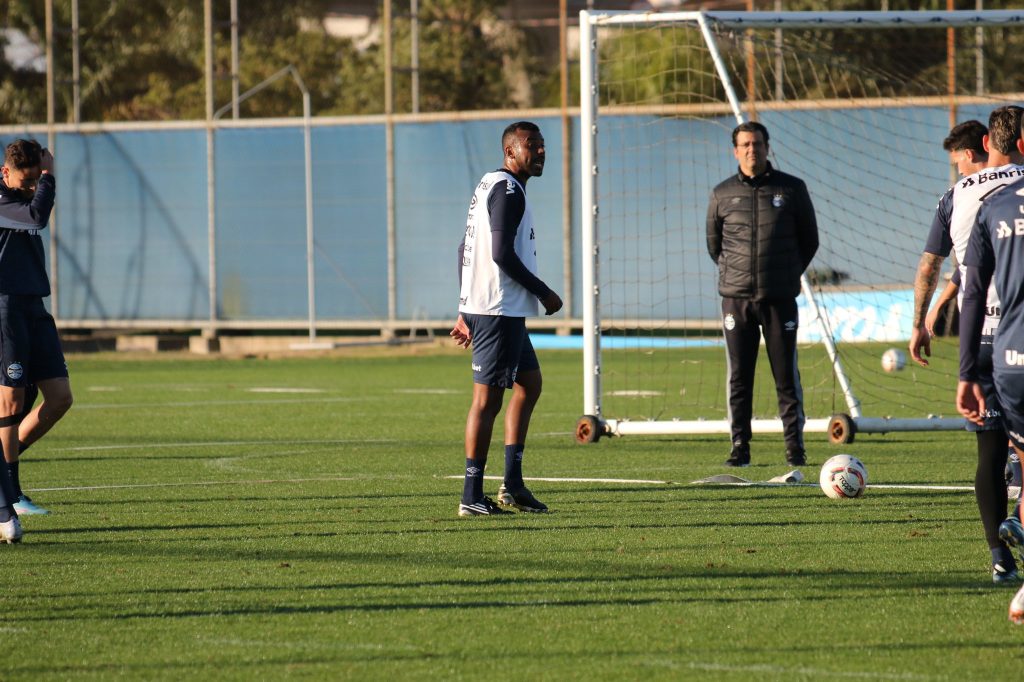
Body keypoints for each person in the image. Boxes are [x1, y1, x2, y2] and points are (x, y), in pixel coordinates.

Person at [912, 109, 1024, 583]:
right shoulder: (1016, 189)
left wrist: (921, 319)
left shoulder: (956, 198)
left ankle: (999, 557)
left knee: (990, 452)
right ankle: (1017, 518)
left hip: (981, 340)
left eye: (958, 158)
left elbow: (933, 266)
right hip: (1018, 331)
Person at [451, 121, 562, 517]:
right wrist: (543, 291)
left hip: (499, 309)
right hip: (498, 309)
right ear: (510, 151)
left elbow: (464, 246)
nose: (541, 151)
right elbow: (499, 253)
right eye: (532, 145)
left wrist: (464, 307)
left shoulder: (492, 184)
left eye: (543, 145)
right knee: (486, 402)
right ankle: (471, 495)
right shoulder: (509, 191)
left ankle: (512, 484)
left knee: (529, 384)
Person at [705, 121, 819, 468]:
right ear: (735, 150)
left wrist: (786, 274)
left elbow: (809, 240)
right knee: (739, 377)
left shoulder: (792, 188)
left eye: (757, 143)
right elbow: (714, 245)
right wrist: (737, 275)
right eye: (745, 145)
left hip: (779, 298)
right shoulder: (722, 193)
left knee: (786, 375)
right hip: (736, 300)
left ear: (767, 147)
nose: (751, 149)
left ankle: (794, 447)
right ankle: (740, 446)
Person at [957, 124, 1024, 618]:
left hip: (999, 349)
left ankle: (1001, 558)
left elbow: (964, 281)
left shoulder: (970, 198)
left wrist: (963, 370)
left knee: (995, 448)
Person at [0, 139, 74, 522]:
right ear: (5, 172)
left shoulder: (24, 194)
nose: (31, 188)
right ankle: (10, 495)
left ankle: (3, 473)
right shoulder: (1, 198)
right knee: (10, 404)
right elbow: (36, 217)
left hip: (34, 304)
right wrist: (49, 176)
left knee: (60, 397)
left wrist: (42, 179)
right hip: (6, 306)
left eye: (35, 181)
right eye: (25, 180)